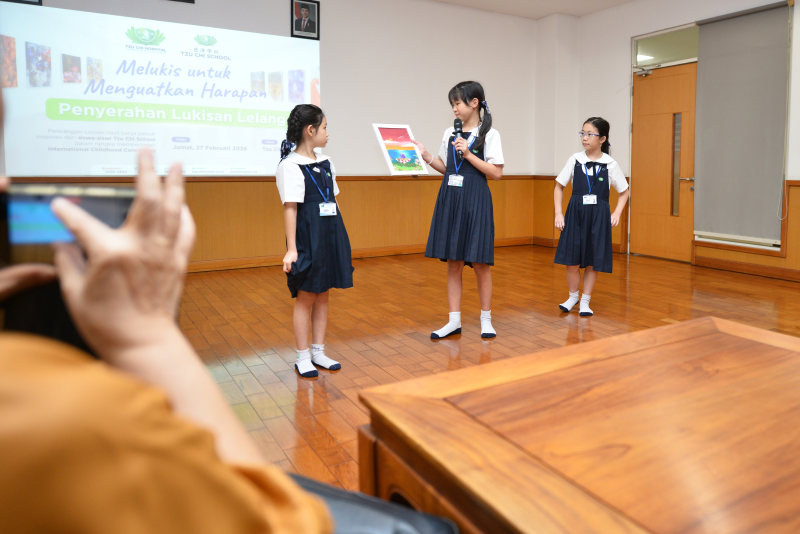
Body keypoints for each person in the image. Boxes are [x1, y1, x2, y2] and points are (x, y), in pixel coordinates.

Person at [412, 81, 504, 340]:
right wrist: (426, 156)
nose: (454, 108)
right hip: (451, 198)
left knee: (480, 262)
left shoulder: (490, 134)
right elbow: (447, 168)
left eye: (458, 103)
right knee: (453, 262)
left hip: (476, 199)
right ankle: (454, 321)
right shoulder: (449, 133)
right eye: (452, 104)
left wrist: (470, 154)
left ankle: (486, 319)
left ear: (474, 103)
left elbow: (497, 173)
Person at [276, 104, 351, 378]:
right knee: (306, 296)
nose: (328, 133)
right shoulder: (289, 166)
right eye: (325, 127)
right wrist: (292, 249)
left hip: (330, 232)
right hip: (308, 236)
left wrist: (340, 237)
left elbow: (334, 200)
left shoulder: (327, 162)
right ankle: (302, 356)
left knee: (323, 294)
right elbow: (290, 208)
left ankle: (318, 351)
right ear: (310, 130)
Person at [553, 117, 630, 317]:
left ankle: (585, 301)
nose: (584, 138)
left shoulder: (610, 164)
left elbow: (624, 191)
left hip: (599, 216)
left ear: (602, 139)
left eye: (589, 134)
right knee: (571, 261)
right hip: (575, 214)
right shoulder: (575, 160)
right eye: (582, 133)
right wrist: (559, 213)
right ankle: (573, 297)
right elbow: (559, 186)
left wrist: (617, 213)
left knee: (592, 260)